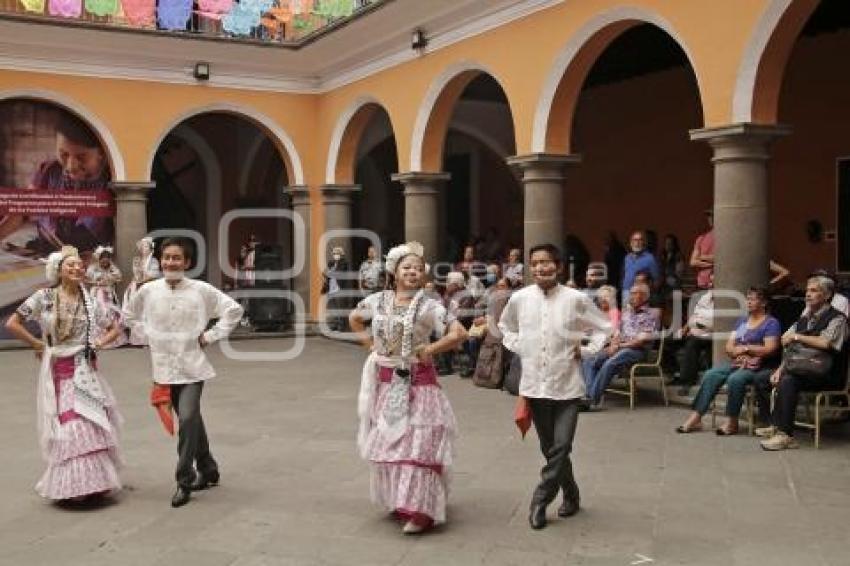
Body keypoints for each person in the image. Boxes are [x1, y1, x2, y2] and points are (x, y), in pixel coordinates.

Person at [349, 241, 468, 534]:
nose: (413, 272)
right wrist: (370, 346)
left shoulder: (429, 305)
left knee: (419, 446)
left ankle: (421, 510)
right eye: (407, 267)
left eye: (418, 268)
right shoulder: (378, 300)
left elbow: (459, 332)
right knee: (393, 445)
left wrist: (431, 349)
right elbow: (354, 318)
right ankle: (401, 500)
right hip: (387, 382)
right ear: (394, 272)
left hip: (420, 384)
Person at [498, 243, 612, 530]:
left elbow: (604, 327)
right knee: (551, 449)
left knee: (562, 445)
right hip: (535, 386)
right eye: (535, 263)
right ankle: (571, 495)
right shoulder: (520, 298)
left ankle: (540, 499)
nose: (540, 268)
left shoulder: (575, 298)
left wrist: (585, 350)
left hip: (568, 385)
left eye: (546, 262)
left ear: (558, 266)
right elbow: (505, 326)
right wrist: (520, 346)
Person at [123, 238, 243, 507]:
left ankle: (184, 480)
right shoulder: (149, 290)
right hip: (163, 368)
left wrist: (210, 336)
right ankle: (209, 469)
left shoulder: (201, 290)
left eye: (176, 258)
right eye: (166, 257)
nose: (170, 262)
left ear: (187, 262)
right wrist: (149, 336)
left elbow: (233, 310)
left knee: (187, 418)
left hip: (193, 367)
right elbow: (128, 315)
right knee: (193, 422)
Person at [5, 245, 123, 502]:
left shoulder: (90, 300)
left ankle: (94, 484)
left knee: (88, 419)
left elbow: (115, 326)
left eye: (79, 265)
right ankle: (73, 486)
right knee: (69, 421)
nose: (77, 268)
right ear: (58, 270)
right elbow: (12, 323)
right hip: (59, 368)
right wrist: (37, 343)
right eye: (70, 265)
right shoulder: (44, 297)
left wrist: (100, 343)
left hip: (85, 368)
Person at [755, 276, 849, 450]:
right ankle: (775, 424)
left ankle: (786, 435)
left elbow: (826, 343)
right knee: (762, 378)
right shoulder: (804, 318)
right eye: (807, 290)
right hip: (800, 367)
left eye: (814, 291)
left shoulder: (837, 318)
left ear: (827, 295)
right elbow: (786, 342)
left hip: (826, 373)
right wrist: (780, 369)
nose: (808, 294)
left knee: (789, 381)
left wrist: (797, 337)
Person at [0, 115, 112, 255]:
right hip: (48, 252)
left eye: (81, 157)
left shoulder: (112, 183)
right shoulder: (49, 171)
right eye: (63, 154)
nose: (71, 166)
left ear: (103, 154)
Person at [675, 287, 781, 435]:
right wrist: (735, 350)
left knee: (735, 379)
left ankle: (732, 421)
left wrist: (745, 349)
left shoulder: (771, 323)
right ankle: (696, 417)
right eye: (747, 298)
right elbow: (729, 345)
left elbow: (770, 348)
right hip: (738, 363)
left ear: (763, 303)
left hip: (759, 367)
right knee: (711, 374)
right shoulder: (744, 322)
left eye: (752, 299)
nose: (748, 302)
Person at [582, 283, 659, 409]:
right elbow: (617, 332)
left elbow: (639, 341)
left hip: (636, 351)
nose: (631, 296)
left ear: (644, 296)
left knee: (611, 362)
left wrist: (619, 346)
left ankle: (591, 400)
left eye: (635, 293)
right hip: (620, 347)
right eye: (631, 293)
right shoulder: (627, 313)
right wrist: (613, 344)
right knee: (589, 359)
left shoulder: (650, 315)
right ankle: (589, 396)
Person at [122, 237, 161, 345]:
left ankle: (150, 339)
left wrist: (142, 281)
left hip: (149, 287)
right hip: (138, 287)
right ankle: (138, 339)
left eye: (146, 246)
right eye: (142, 246)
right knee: (137, 312)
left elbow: (154, 275)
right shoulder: (137, 260)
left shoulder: (153, 261)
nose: (143, 248)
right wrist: (134, 282)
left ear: (150, 248)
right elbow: (136, 274)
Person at [86, 245, 126, 349]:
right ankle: (98, 338)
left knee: (111, 313)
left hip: (108, 294)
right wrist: (97, 282)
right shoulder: (93, 268)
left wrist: (109, 279)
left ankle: (114, 339)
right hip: (97, 293)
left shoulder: (112, 268)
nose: (105, 260)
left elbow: (119, 277)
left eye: (107, 258)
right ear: (98, 259)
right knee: (98, 312)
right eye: (102, 258)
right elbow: (87, 279)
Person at [622, 231, 659, 304]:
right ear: (631, 243)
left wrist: (649, 292)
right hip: (626, 292)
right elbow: (624, 274)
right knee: (627, 315)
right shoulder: (627, 258)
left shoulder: (650, 258)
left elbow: (656, 279)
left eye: (640, 240)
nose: (637, 243)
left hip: (640, 295)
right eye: (635, 240)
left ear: (643, 243)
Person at [323, 246, 351, 332]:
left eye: (337, 253)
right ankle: (334, 325)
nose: (335, 255)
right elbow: (325, 273)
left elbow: (339, 273)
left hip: (339, 288)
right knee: (333, 308)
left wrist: (330, 273)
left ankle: (341, 326)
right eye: (334, 253)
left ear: (341, 254)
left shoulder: (344, 263)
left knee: (340, 308)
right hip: (331, 288)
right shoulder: (331, 263)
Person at [690, 209, 714, 290]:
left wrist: (701, 257)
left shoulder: (723, 237)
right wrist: (712, 264)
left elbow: (721, 258)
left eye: (712, 215)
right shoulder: (701, 238)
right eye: (709, 216)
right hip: (702, 283)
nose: (710, 218)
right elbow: (693, 262)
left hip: (717, 283)